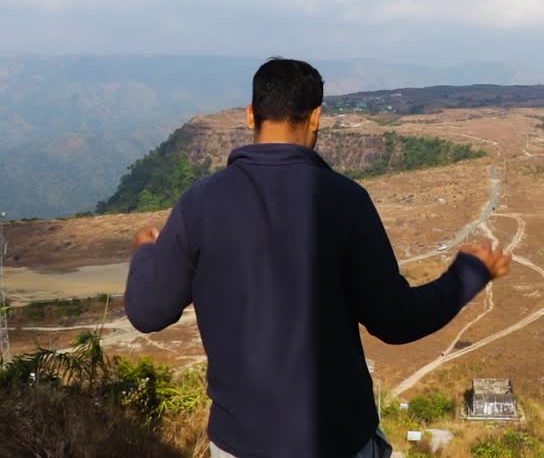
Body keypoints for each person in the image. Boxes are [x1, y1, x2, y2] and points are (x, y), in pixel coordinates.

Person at [124, 57, 510, 458]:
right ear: (316, 118)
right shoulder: (346, 200)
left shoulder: (200, 202)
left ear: (251, 114)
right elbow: (397, 321)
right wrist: (470, 272)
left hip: (237, 443)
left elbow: (148, 312)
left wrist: (146, 253)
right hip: (335, 439)